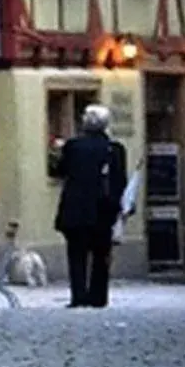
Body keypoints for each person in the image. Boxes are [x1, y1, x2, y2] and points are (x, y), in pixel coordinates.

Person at [55, 104, 128, 309]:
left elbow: (60, 170)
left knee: (76, 254)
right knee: (101, 254)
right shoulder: (115, 149)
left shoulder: (73, 146)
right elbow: (120, 180)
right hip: (104, 209)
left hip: (76, 209)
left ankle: (79, 295)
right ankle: (98, 296)